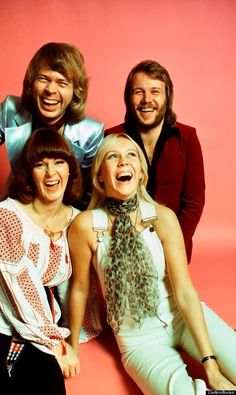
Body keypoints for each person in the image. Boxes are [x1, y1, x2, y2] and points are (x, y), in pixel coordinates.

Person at [68, 133, 236, 394]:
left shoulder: (162, 217)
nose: (124, 162)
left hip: (182, 318)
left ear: (141, 173)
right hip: (139, 341)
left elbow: (184, 291)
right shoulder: (86, 226)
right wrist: (72, 346)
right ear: (100, 176)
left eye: (131, 155)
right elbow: (79, 288)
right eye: (113, 156)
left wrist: (210, 364)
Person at [0, 128, 87, 395]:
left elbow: (82, 283)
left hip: (43, 327)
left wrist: (69, 337)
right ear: (29, 174)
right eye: (41, 164)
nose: (51, 173)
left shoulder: (78, 221)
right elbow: (20, 282)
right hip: (5, 321)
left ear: (71, 169)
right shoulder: (8, 216)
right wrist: (57, 344)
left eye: (59, 162)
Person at [105, 60, 205, 262]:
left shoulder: (187, 137)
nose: (146, 100)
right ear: (128, 98)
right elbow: (103, 198)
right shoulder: (111, 137)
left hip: (174, 250)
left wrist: (173, 246)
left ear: (167, 97)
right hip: (122, 249)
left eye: (155, 92)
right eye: (138, 92)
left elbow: (193, 203)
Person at [0, 41, 104, 208]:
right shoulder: (10, 109)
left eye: (62, 83)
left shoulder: (91, 132)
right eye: (43, 79)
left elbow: (90, 193)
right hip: (15, 206)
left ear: (75, 91)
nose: (50, 89)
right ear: (32, 82)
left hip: (64, 213)